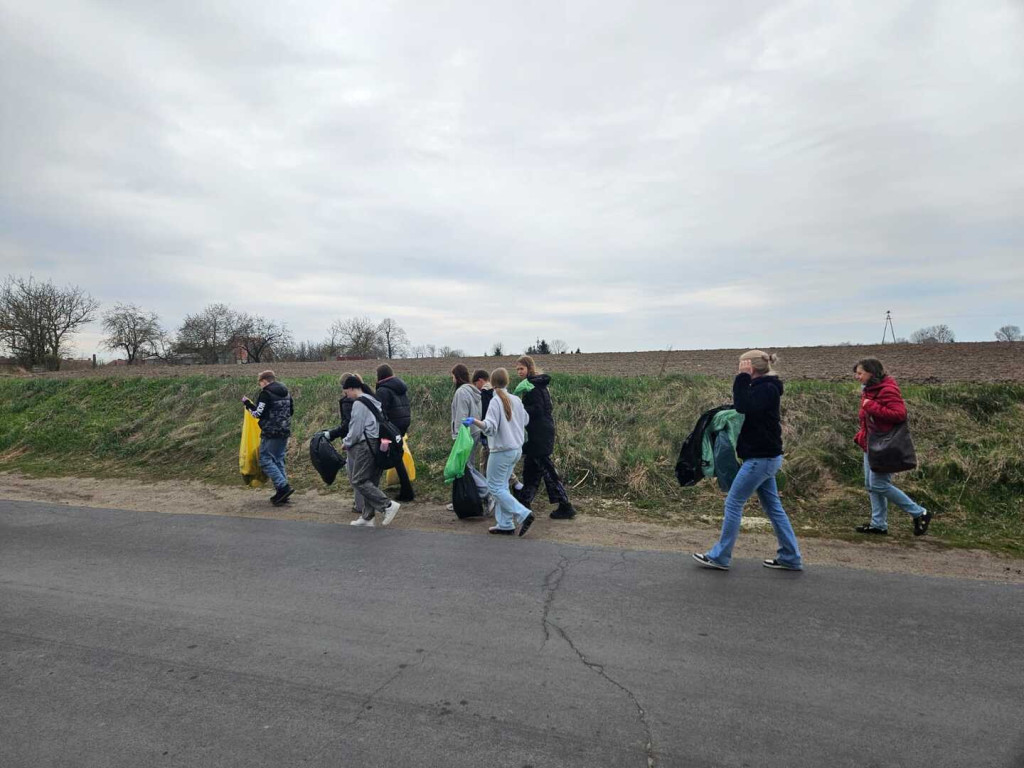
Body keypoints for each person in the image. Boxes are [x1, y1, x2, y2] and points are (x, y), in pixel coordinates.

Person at [693, 351, 803, 571]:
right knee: (773, 508)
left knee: (733, 503)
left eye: (741, 366)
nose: (738, 370)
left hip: (760, 458)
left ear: (750, 367)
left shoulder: (767, 389)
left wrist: (742, 377)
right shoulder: (766, 387)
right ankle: (790, 556)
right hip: (765, 457)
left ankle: (720, 556)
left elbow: (743, 405)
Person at [853, 358, 933, 536]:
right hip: (871, 444)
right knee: (871, 485)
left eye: (860, 373)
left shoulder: (887, 390)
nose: (857, 377)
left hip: (885, 447)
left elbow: (899, 414)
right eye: (856, 373)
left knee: (879, 485)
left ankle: (920, 513)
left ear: (871, 373)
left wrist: (871, 406)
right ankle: (878, 524)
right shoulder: (869, 390)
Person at [463, 368, 535, 536]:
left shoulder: (496, 401)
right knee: (502, 486)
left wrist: (474, 421)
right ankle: (505, 524)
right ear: (507, 381)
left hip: (501, 450)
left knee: (494, 487)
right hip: (516, 450)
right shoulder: (516, 399)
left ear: (492, 383)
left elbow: (490, 428)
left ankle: (523, 514)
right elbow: (526, 419)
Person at [513, 355, 576, 520]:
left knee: (547, 471)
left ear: (529, 368)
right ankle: (525, 502)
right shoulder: (537, 384)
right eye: (517, 369)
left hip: (538, 434)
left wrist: (520, 409)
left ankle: (565, 505)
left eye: (522, 368)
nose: (519, 372)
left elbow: (538, 410)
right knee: (531, 470)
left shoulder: (532, 386)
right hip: (540, 432)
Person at [339, 375, 401, 527]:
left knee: (358, 480)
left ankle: (387, 506)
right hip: (376, 444)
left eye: (346, 392)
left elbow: (356, 429)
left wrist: (346, 442)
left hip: (365, 445)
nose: (346, 395)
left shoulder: (359, 404)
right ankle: (368, 517)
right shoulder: (371, 400)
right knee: (371, 480)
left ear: (352, 388)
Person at [321, 373, 372, 515]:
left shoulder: (350, 402)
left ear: (348, 388)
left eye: (344, 390)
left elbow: (349, 426)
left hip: (357, 444)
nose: (344, 393)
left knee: (355, 476)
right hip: (369, 442)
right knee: (365, 476)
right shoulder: (369, 397)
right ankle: (368, 503)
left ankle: (361, 505)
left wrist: (335, 436)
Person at [241, 370, 294, 506]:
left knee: (265, 460)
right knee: (278, 459)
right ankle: (283, 492)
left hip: (271, 432)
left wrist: (248, 404)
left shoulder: (266, 393)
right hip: (285, 430)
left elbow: (258, 413)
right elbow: (291, 411)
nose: (260, 386)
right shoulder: (286, 392)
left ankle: (283, 486)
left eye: (260, 383)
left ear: (264, 381)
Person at [449, 364, 494, 514]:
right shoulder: (475, 391)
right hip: (474, 432)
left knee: (464, 468)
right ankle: (463, 497)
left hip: (465, 435)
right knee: (468, 466)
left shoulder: (461, 392)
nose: (452, 379)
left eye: (453, 376)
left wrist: (457, 436)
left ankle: (488, 492)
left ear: (458, 376)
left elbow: (461, 415)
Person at [375, 364, 414, 502]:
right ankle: (406, 490)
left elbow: (380, 413)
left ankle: (372, 489)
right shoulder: (400, 387)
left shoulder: (383, 391)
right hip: (402, 425)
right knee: (397, 457)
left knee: (380, 456)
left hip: (391, 427)